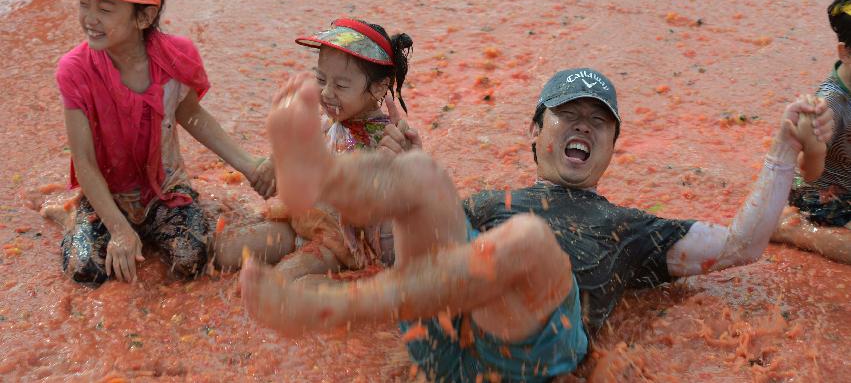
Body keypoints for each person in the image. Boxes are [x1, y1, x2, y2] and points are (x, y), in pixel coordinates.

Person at [239, 67, 831, 382]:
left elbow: (741, 244)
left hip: (531, 353)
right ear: (533, 132)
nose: (582, 127)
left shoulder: (630, 226)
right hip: (440, 342)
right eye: (567, 115)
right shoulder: (493, 199)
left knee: (525, 239)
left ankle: (331, 311)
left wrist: (784, 149)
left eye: (597, 124)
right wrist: (395, 176)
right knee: (421, 172)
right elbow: (411, 256)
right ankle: (314, 177)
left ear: (612, 147)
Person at [46, 0, 281, 285]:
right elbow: (84, 161)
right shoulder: (74, 70)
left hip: (163, 190)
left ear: (144, 17)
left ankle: (152, 226)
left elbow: (192, 115)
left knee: (191, 260)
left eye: (106, 8)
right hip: (106, 196)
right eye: (84, 3)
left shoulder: (175, 58)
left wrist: (249, 166)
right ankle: (70, 219)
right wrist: (119, 230)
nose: (89, 18)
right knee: (87, 271)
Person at [214, 18, 419, 279]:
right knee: (224, 251)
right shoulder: (330, 118)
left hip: (340, 241)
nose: (327, 92)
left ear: (378, 86)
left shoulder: (388, 140)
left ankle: (344, 287)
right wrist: (274, 162)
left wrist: (396, 164)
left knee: (281, 285)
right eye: (321, 78)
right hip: (302, 220)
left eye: (341, 85)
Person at [772, 0, 851, 264]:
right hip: (825, 196)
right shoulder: (830, 104)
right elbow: (809, 173)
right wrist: (814, 149)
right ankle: (797, 231)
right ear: (845, 52)